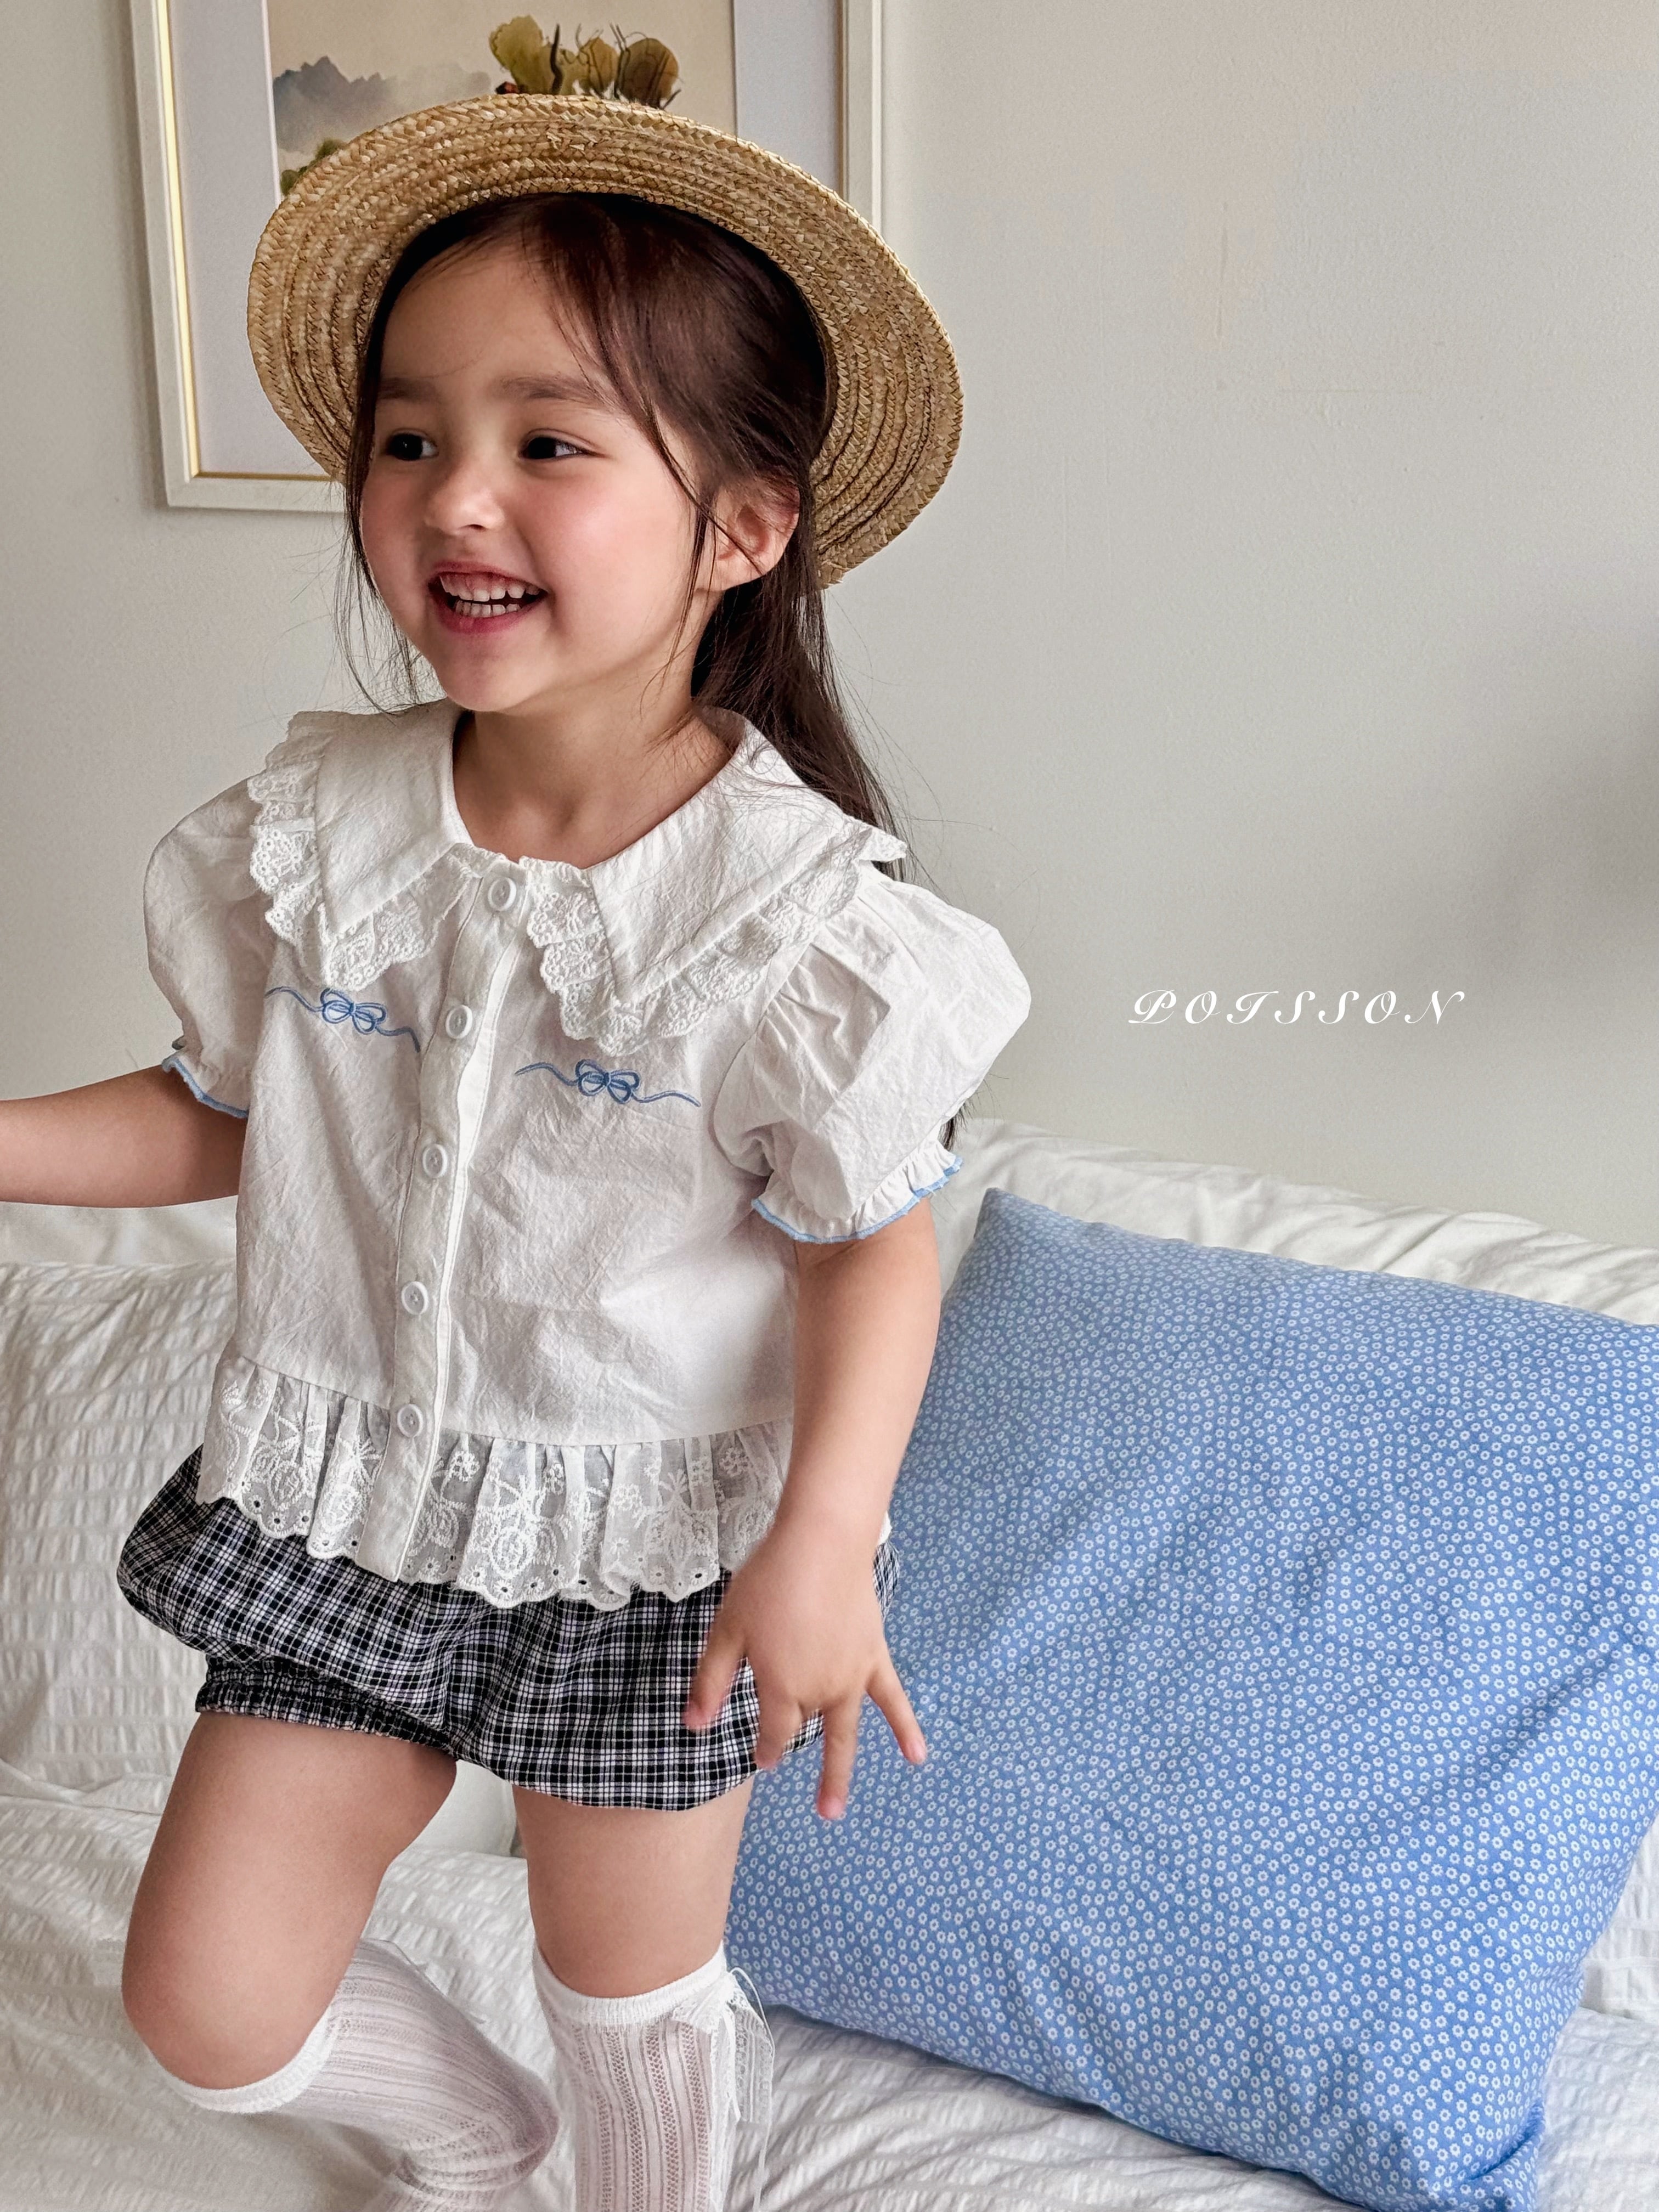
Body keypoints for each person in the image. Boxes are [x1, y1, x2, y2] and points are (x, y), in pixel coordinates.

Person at [0, 92, 1029, 2212]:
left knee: (627, 2000)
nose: (455, 496)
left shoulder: (797, 921)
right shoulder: (321, 831)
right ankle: (482, 2148)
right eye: (408, 436)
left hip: (649, 1552)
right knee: (209, 2006)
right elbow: (224, 1112)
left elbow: (869, 1243)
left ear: (742, 525)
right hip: (346, 1507)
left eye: (550, 441)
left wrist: (825, 1541)